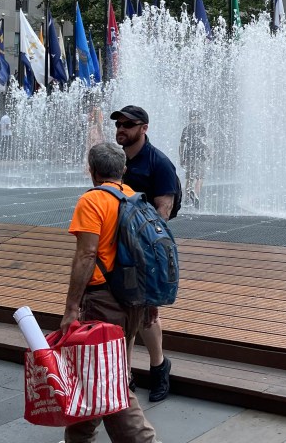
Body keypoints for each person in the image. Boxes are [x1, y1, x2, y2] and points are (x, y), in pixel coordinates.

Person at [61, 142, 157, 443]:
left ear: (92, 171)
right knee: (95, 371)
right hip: (134, 300)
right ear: (123, 170)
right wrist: (151, 301)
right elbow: (150, 255)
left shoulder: (92, 201)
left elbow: (87, 255)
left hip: (104, 302)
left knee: (107, 378)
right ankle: (78, 437)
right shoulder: (136, 198)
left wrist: (71, 308)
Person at [111, 104, 180, 402]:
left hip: (146, 251)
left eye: (128, 124)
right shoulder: (116, 161)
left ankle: (159, 367)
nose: (121, 129)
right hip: (116, 247)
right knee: (125, 312)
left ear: (144, 128)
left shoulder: (158, 163)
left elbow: (162, 213)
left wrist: (146, 254)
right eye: (118, 124)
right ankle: (125, 375)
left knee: (146, 313)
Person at [178, 110, 208, 209]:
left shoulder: (186, 128)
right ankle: (195, 195)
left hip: (188, 156)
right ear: (199, 117)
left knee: (189, 178)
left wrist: (181, 158)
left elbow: (182, 145)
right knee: (200, 177)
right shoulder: (202, 128)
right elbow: (204, 142)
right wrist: (208, 153)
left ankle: (187, 198)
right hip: (200, 156)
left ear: (190, 118)